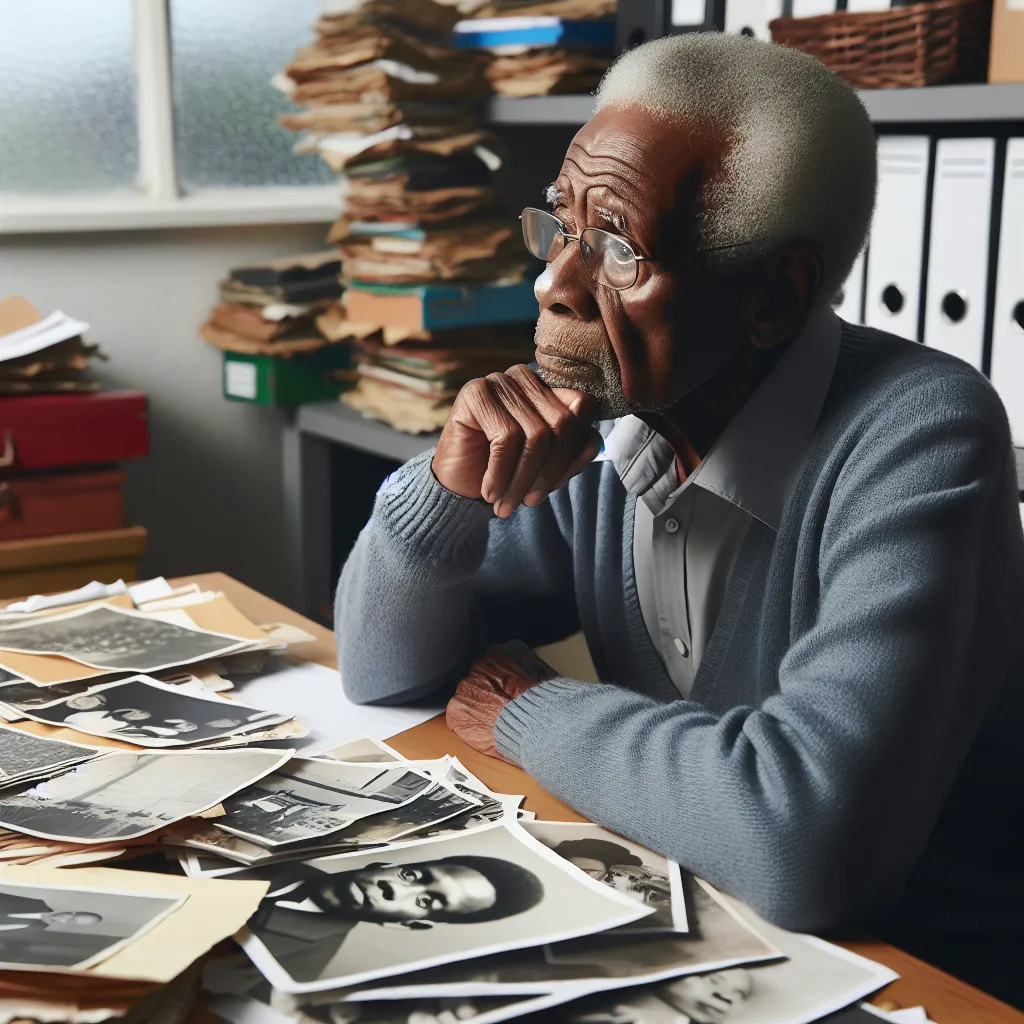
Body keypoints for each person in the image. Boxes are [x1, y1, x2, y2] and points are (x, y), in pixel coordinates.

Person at [336, 32, 1024, 1005]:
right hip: (712, 929)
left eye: (617, 246)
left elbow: (801, 845)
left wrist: (529, 708)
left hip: (922, 976)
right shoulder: (613, 419)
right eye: (559, 227)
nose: (554, 284)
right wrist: (445, 493)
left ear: (773, 298)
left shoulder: (923, 429)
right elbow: (381, 668)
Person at [249, 856, 544, 983]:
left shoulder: (297, 965)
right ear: (385, 864)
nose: (393, 889)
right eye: (411, 875)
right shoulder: (261, 858)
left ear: (406, 924)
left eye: (425, 901)